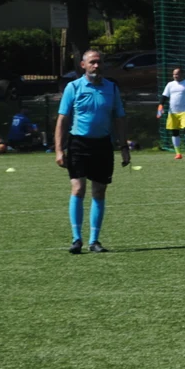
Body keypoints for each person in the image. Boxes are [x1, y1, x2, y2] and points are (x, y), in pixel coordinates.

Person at [54, 49, 130, 254]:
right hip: (78, 144)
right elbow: (62, 120)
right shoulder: (73, 87)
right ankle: (76, 239)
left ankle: (94, 240)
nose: (97, 66)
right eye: (93, 62)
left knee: (99, 191)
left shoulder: (111, 88)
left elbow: (119, 118)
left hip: (103, 145)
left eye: (99, 62)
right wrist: (59, 150)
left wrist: (124, 147)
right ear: (83, 65)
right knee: (78, 189)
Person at [158, 67, 185, 159]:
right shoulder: (170, 85)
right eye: (174, 74)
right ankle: (178, 153)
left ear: (182, 74)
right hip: (172, 112)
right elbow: (164, 97)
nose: (175, 76)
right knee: (174, 132)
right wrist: (160, 106)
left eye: (177, 74)